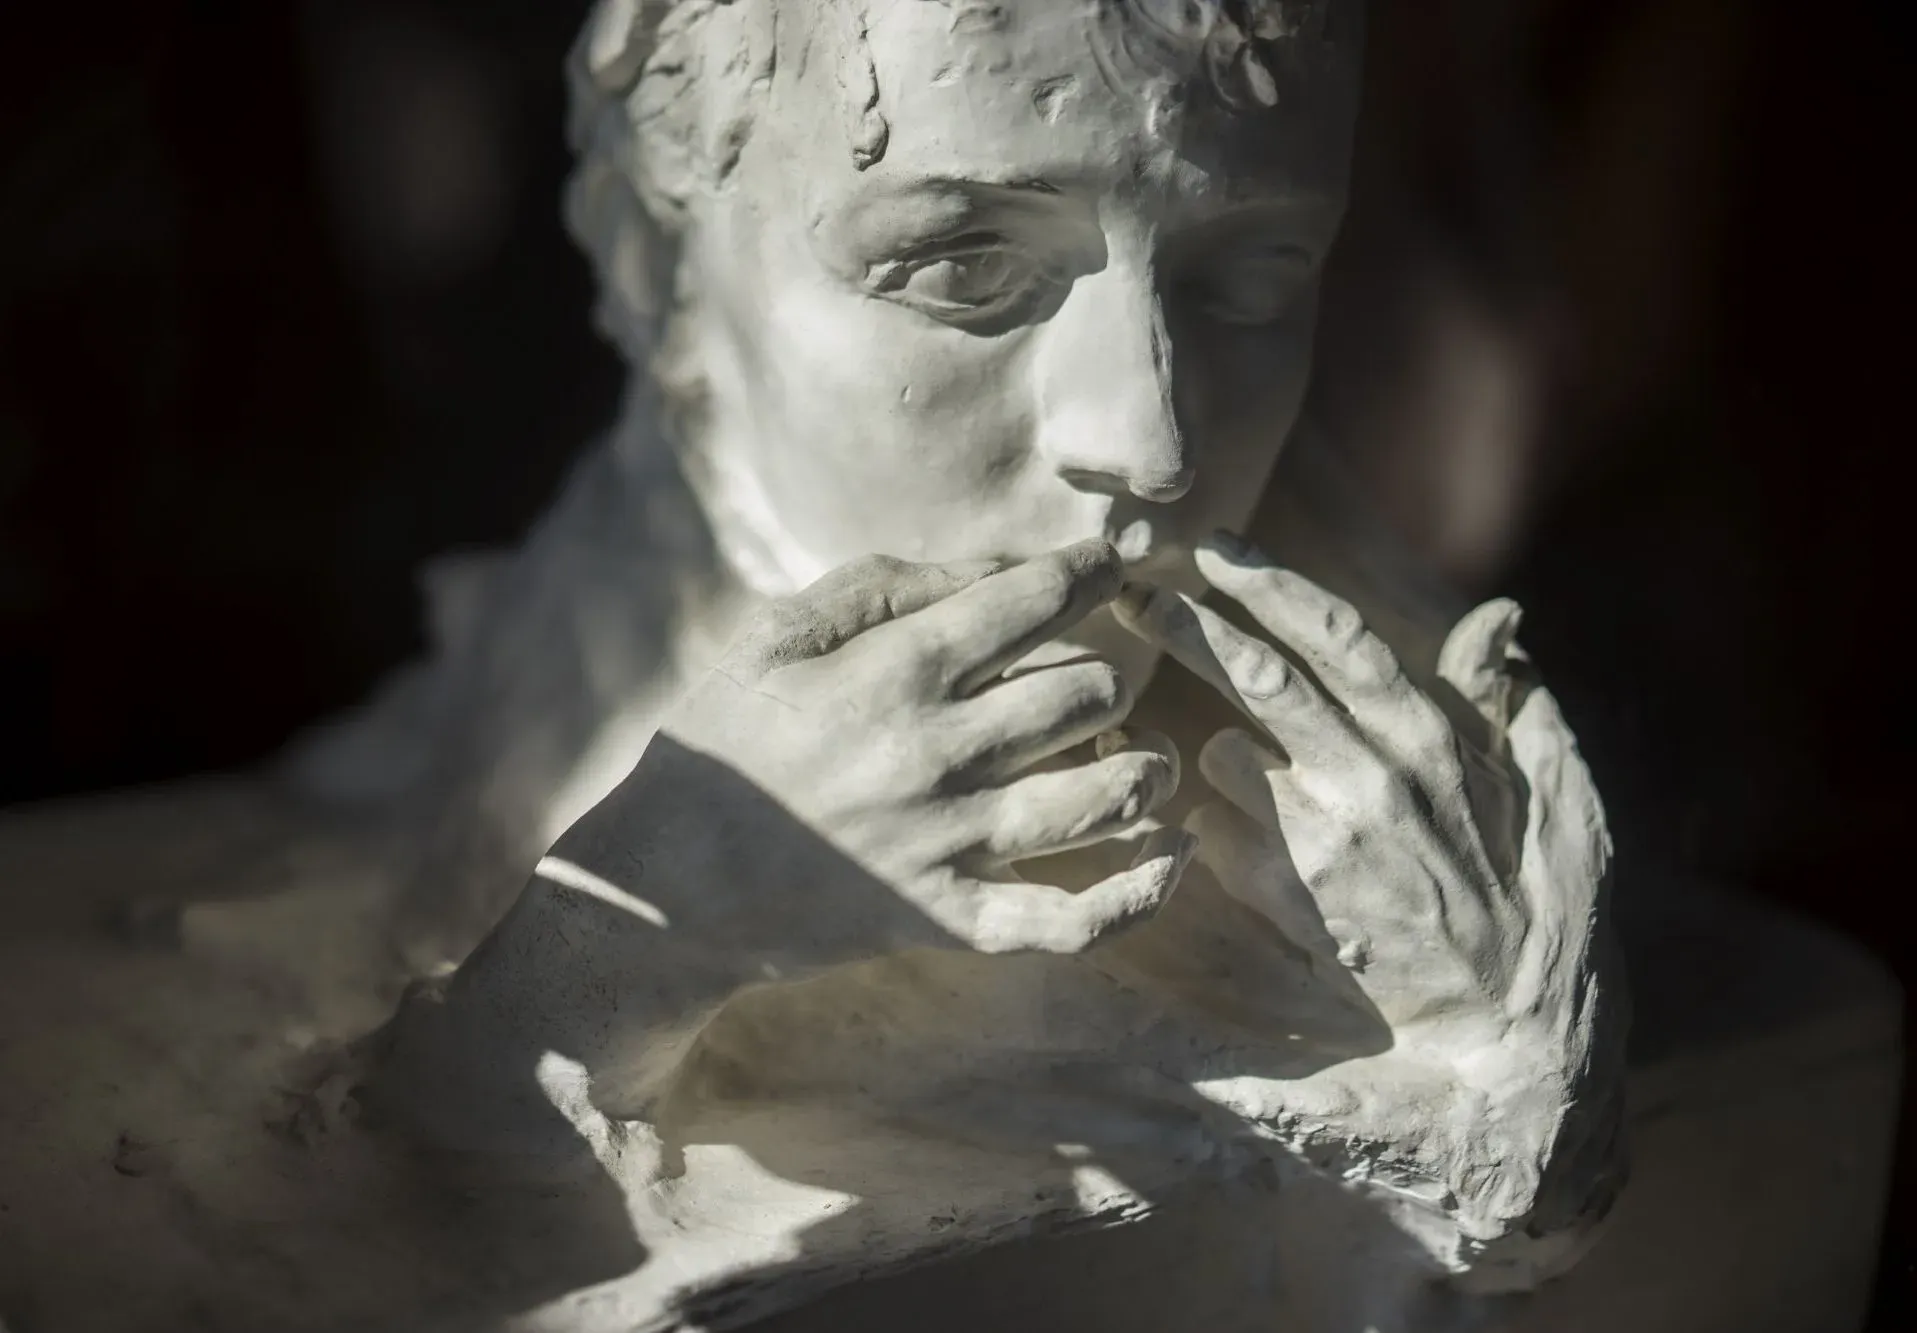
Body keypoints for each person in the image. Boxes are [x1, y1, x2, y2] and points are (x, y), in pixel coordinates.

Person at [0, 3, 1625, 1328]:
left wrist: (1496, 1072)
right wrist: (613, 957)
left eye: (1252, 278)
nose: (1150, 438)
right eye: (967, 268)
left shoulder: (1408, 819)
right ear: (662, 274)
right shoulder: (510, 773)